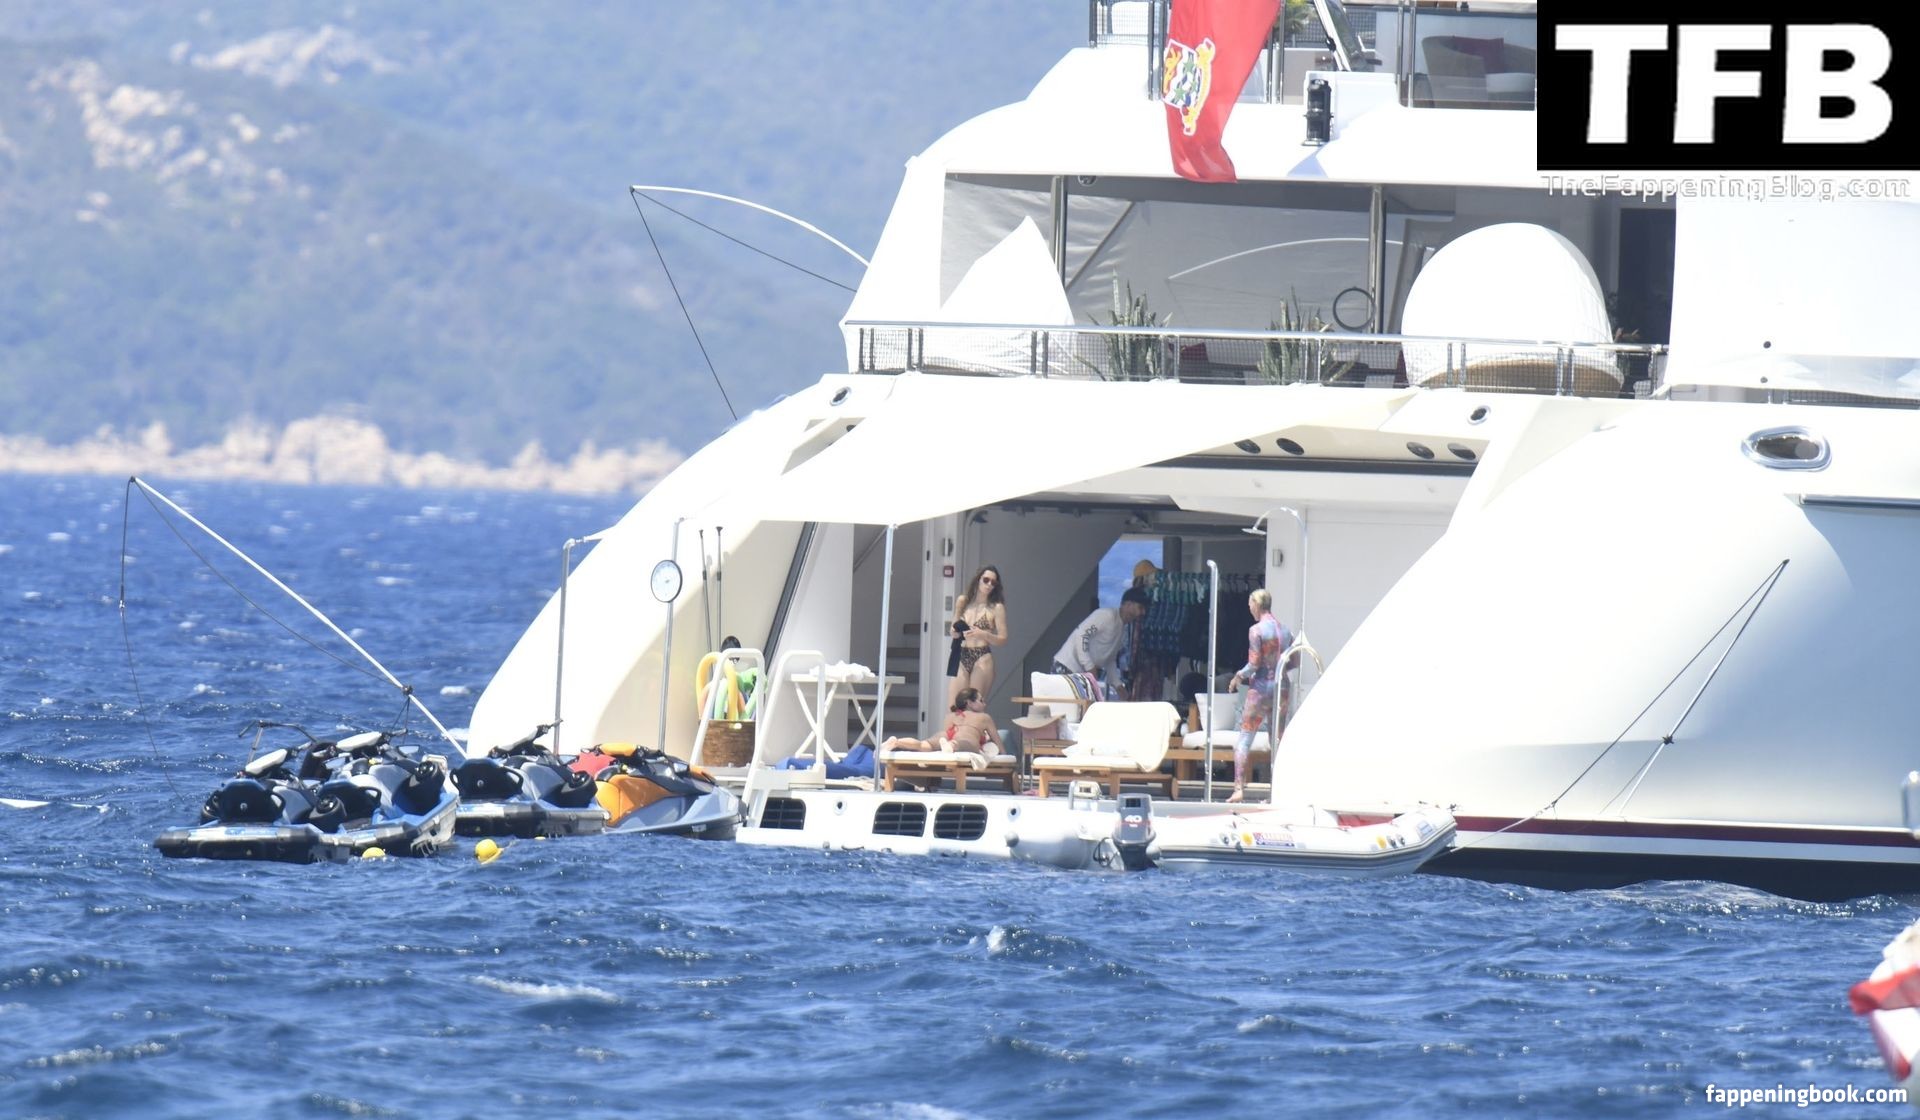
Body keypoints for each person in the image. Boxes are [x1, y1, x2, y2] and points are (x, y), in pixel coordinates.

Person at [1225, 587, 1292, 803]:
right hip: (1281, 687)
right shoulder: (1285, 630)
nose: (1249, 608)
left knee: (1245, 739)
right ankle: (1279, 789)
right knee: (1278, 740)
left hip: (1261, 688)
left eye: (1250, 604)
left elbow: (1254, 663)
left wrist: (1238, 676)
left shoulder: (1256, 630)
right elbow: (1294, 661)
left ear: (1257, 604)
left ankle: (1238, 788)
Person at [1051, 587, 1149, 695]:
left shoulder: (1122, 630)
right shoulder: (1106, 615)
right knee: (1063, 704)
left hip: (1082, 674)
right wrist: (1090, 667)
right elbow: (1082, 635)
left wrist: (1118, 686)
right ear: (1128, 604)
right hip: (1067, 666)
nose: (1143, 613)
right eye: (1140, 608)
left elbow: (1110, 660)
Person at [947, 565, 1008, 710]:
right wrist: (955, 632)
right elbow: (953, 627)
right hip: (962, 654)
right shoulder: (963, 601)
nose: (989, 584)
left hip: (982, 656)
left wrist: (983, 634)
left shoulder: (996, 607)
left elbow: (1003, 638)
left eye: (993, 582)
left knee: (974, 708)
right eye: (986, 580)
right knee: (954, 708)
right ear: (978, 579)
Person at [881, 688, 1004, 755]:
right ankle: (951, 746)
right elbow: (998, 742)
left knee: (922, 744)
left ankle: (896, 742)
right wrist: (1006, 757)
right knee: (961, 743)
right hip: (966, 737)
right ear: (969, 703)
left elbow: (948, 733)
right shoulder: (984, 717)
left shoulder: (950, 716)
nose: (984, 703)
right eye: (981, 700)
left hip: (947, 735)